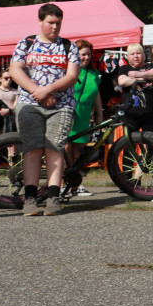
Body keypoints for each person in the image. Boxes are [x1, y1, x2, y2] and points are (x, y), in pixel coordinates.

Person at [9, 3, 80, 217]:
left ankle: (53, 197)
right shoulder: (27, 43)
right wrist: (36, 91)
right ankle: (30, 198)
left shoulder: (69, 46)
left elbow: (72, 76)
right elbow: (15, 69)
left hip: (61, 105)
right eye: (50, 22)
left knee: (55, 149)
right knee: (32, 149)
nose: (55, 27)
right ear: (40, 21)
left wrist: (48, 90)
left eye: (58, 23)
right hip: (30, 103)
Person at [66, 40, 103, 197]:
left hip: (83, 116)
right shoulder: (68, 70)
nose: (86, 57)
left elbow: (96, 94)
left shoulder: (93, 73)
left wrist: (100, 115)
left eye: (88, 54)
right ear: (76, 54)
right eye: (83, 54)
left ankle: (74, 185)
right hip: (68, 114)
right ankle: (62, 183)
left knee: (77, 153)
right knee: (65, 149)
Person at [115, 43, 153, 133]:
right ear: (128, 57)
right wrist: (145, 77)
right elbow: (122, 81)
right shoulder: (125, 68)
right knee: (129, 143)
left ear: (143, 55)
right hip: (131, 114)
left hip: (152, 114)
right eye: (132, 54)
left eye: (138, 53)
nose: (136, 56)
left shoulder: (151, 66)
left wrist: (139, 74)